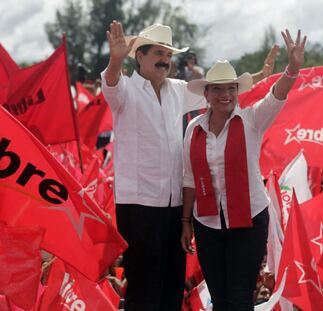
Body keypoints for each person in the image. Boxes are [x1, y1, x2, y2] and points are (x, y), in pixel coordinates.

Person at [102, 21, 279, 311]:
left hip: (174, 207)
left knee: (172, 285)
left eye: (169, 55)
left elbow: (219, 92)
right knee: (144, 287)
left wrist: (260, 75)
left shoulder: (177, 89)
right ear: (140, 56)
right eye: (159, 53)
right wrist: (114, 60)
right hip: (139, 206)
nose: (165, 60)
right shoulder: (124, 90)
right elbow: (110, 83)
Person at [181, 29, 306, 310]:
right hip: (207, 224)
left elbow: (276, 96)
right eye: (219, 89)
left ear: (238, 91)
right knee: (220, 299)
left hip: (248, 222)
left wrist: (292, 69)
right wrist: (186, 223)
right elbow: (188, 178)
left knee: (239, 298)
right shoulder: (193, 129)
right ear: (207, 94)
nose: (226, 95)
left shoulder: (251, 120)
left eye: (231, 88)